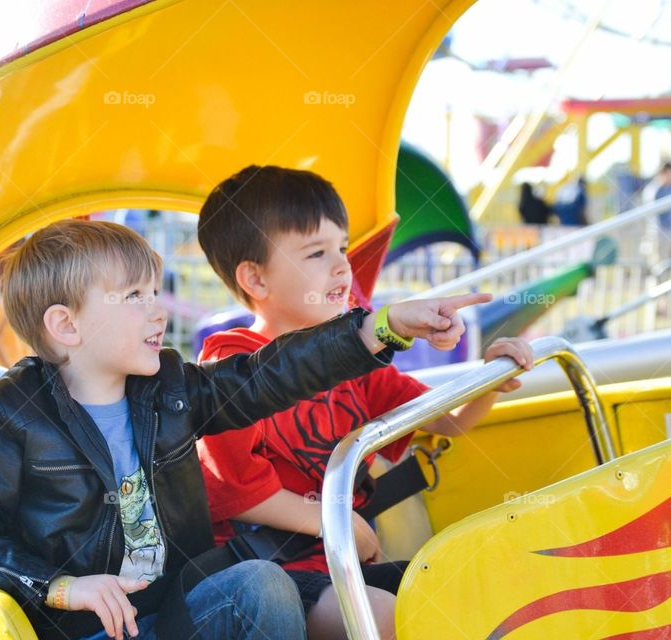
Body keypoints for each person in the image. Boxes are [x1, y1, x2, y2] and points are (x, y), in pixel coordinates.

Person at [0, 219, 484, 640]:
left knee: (263, 582)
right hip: (88, 628)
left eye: (154, 292)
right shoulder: (1, 418)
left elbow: (268, 375)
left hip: (173, 613)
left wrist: (381, 328)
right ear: (66, 325)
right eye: (133, 297)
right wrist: (63, 588)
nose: (158, 313)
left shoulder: (165, 389)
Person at [195, 166, 534, 640]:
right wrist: (337, 524)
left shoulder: (356, 365)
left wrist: (490, 379)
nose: (341, 266)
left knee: (478, 595)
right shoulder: (230, 363)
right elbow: (239, 491)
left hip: (340, 565)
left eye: (342, 248)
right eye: (317, 253)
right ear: (256, 279)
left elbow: (450, 422)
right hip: (271, 569)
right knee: (396, 618)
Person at [642, 162, 671, 262]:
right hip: (659, 233)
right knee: (660, 262)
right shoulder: (654, 190)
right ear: (665, 173)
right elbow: (654, 216)